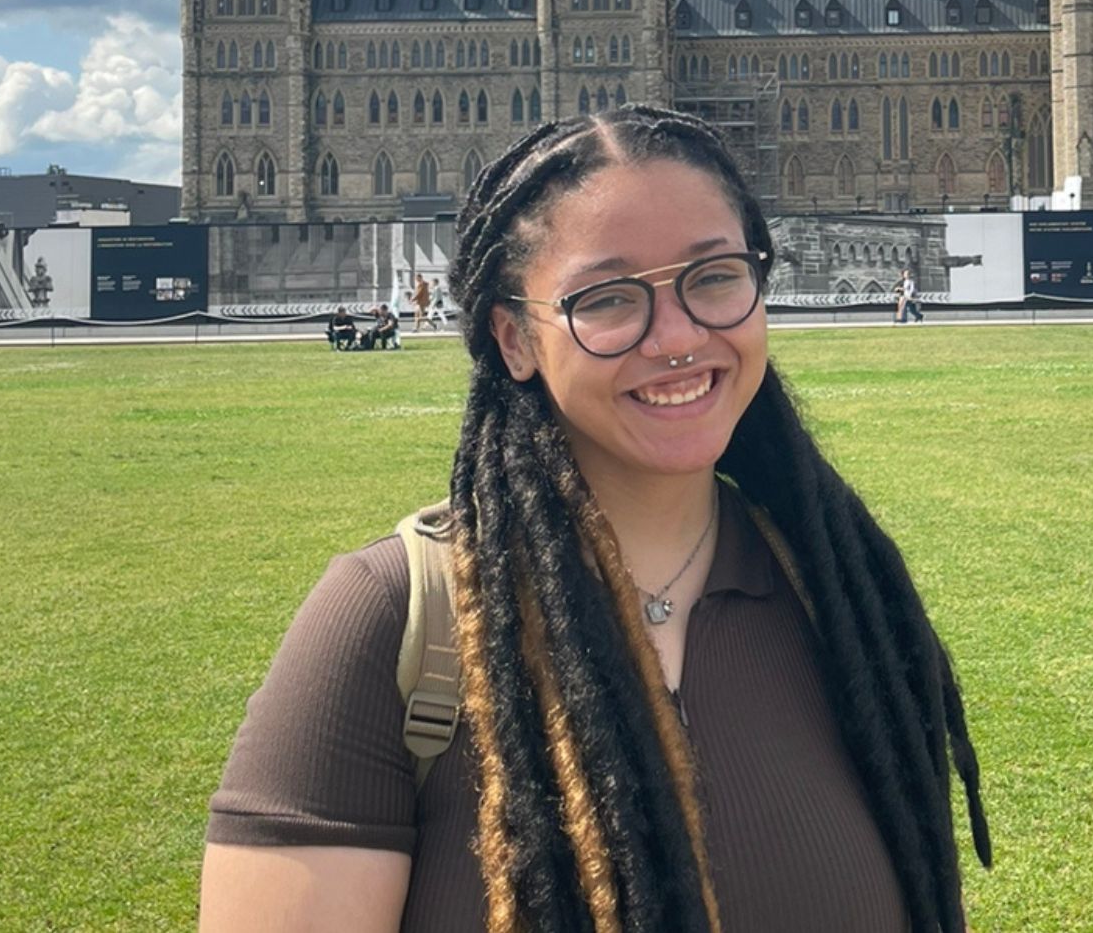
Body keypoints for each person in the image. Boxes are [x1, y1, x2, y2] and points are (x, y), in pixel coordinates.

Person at [199, 107, 988, 933]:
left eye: (714, 275)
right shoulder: (390, 622)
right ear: (514, 339)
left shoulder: (846, 603)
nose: (678, 337)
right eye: (608, 299)